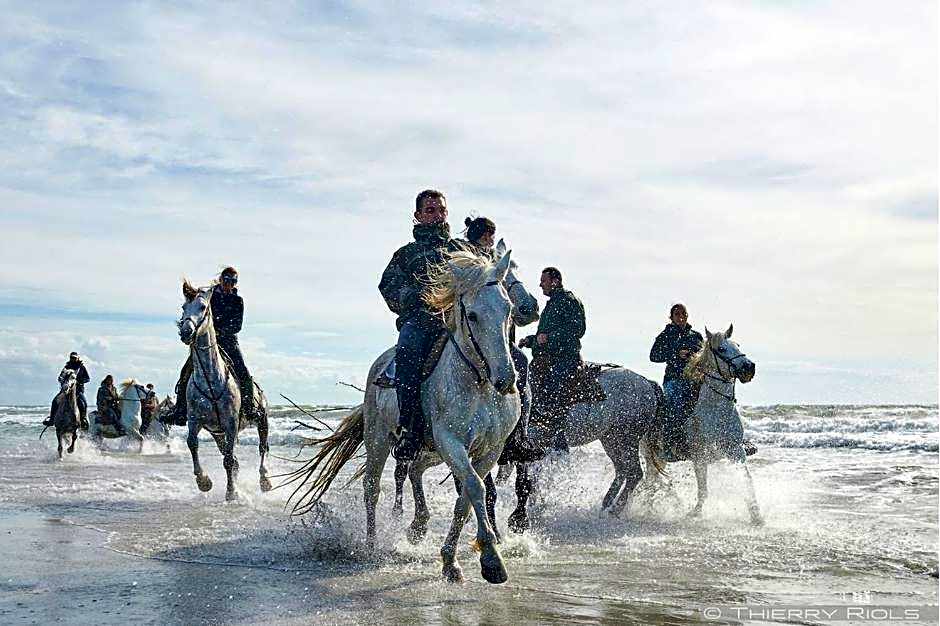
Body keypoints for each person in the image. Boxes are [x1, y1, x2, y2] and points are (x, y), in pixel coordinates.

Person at [379, 189, 463, 462]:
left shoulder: (460, 250)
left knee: (514, 358)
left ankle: (514, 434)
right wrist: (413, 297)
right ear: (418, 216)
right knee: (407, 351)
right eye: (430, 211)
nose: (438, 216)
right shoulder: (405, 254)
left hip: (458, 322)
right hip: (421, 322)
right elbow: (388, 285)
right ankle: (410, 429)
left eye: (441, 211)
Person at [458, 215, 541, 464]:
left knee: (521, 364)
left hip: (498, 341)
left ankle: (517, 436)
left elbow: (523, 309)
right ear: (483, 236)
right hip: (468, 335)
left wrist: (523, 308)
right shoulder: (463, 258)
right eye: (488, 236)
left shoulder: (498, 263)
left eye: (491, 237)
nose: (490, 241)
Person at [168, 267, 259, 425]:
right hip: (207, 342)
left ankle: (249, 409)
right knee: (185, 372)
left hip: (229, 342)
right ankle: (179, 411)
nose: (228, 284)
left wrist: (219, 332)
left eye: (233, 281)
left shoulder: (238, 301)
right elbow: (197, 308)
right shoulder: (209, 296)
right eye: (226, 280)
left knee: (243, 372)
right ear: (221, 279)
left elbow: (237, 326)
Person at [519, 267, 586, 452]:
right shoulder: (552, 303)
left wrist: (550, 338)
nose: (540, 284)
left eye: (544, 280)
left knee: (552, 385)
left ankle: (557, 435)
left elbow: (577, 329)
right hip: (548, 357)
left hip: (565, 358)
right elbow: (544, 336)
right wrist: (531, 340)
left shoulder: (568, 300)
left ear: (555, 281)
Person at [649, 303, 704, 458]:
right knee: (676, 406)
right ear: (671, 318)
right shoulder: (665, 335)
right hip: (674, 379)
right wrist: (675, 354)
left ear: (687, 315)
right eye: (677, 315)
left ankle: (731, 439)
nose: (681, 317)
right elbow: (653, 356)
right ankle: (670, 445)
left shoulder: (696, 336)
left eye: (683, 314)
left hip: (696, 380)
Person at [43, 351, 90, 428]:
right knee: (55, 401)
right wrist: (61, 379)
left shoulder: (81, 367)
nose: (73, 359)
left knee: (83, 403)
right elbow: (60, 377)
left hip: (77, 390)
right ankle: (52, 419)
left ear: (77, 358)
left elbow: (87, 379)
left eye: (74, 358)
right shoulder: (66, 367)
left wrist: (79, 381)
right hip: (66, 390)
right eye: (71, 357)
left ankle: (83, 419)